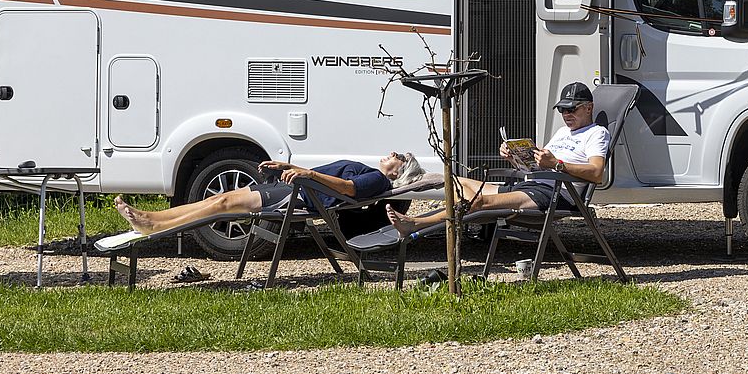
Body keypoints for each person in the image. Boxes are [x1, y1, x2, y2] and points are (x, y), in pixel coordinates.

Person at [388, 81, 608, 236]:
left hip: (555, 194)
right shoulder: (563, 132)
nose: (566, 114)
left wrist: (556, 164)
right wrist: (515, 158)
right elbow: (536, 167)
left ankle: (416, 224)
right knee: (457, 181)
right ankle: (447, 204)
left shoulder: (597, 133)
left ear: (588, 108)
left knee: (479, 202)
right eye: (562, 110)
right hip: (530, 184)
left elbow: (597, 173)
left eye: (572, 109)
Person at [112, 150, 426, 236]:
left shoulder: (377, 181)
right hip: (296, 187)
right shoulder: (372, 173)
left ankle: (155, 225)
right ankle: (151, 218)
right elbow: (332, 179)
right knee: (215, 200)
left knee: (222, 202)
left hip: (299, 198)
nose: (391, 153)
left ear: (400, 170)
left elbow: (347, 189)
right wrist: (288, 166)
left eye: (397, 155)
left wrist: (305, 173)